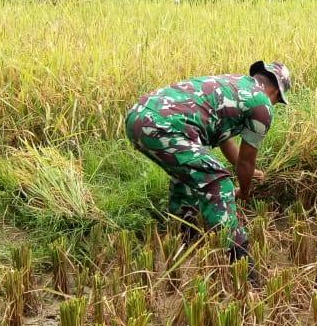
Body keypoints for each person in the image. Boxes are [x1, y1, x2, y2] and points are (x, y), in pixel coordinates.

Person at [125, 61, 292, 265]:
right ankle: (239, 261)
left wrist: (250, 171)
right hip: (163, 125)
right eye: (277, 100)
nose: (274, 104)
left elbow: (224, 138)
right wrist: (245, 192)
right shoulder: (262, 104)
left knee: (187, 180)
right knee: (218, 183)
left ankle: (185, 237)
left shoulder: (235, 84)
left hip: (138, 116)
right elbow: (246, 163)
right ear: (275, 91)